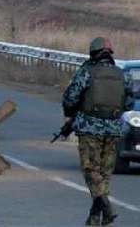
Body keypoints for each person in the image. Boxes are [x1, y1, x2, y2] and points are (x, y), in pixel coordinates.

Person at [62, 37, 134, 226]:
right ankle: (95, 217)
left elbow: (70, 99)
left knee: (90, 170)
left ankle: (106, 206)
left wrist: (70, 115)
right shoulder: (122, 75)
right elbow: (128, 103)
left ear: (93, 53)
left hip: (89, 129)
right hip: (113, 130)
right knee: (104, 173)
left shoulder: (87, 72)